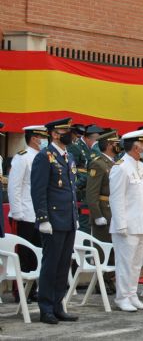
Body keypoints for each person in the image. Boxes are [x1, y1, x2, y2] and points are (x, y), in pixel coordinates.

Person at [31, 118, 79, 324]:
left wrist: (74, 217)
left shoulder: (68, 156)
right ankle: (46, 308)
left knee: (62, 266)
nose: (70, 134)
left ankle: (58, 305)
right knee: (50, 265)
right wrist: (43, 218)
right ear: (54, 134)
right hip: (52, 219)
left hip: (67, 219)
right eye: (65, 130)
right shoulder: (44, 157)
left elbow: (71, 190)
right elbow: (38, 190)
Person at [109, 128, 143, 312]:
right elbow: (116, 198)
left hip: (140, 223)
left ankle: (132, 294)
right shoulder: (121, 167)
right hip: (126, 225)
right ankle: (122, 297)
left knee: (136, 264)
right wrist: (121, 225)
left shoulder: (141, 166)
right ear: (135, 146)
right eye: (142, 143)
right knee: (125, 263)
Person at [8, 125, 49, 303]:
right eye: (43, 137)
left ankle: (32, 290)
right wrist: (17, 212)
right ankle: (20, 291)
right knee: (23, 254)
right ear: (34, 138)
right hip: (24, 213)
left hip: (39, 214)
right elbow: (14, 186)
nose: (44, 140)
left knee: (36, 254)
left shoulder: (42, 157)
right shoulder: (22, 158)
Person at [85, 129, 120, 294]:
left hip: (114, 211)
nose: (118, 146)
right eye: (115, 143)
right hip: (103, 212)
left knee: (113, 249)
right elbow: (91, 193)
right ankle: (101, 280)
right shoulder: (98, 163)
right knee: (102, 249)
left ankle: (109, 278)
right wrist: (97, 215)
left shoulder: (114, 163)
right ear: (108, 145)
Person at [68, 124, 102, 234]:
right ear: (87, 138)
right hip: (80, 188)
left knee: (89, 222)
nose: (97, 143)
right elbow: (73, 169)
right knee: (83, 223)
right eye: (96, 140)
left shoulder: (93, 148)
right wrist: (77, 184)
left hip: (89, 186)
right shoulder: (75, 147)